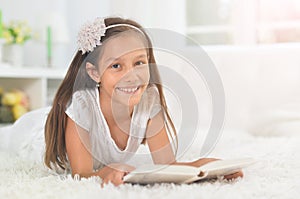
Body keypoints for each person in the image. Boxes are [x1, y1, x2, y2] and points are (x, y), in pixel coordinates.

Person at [0, 17, 242, 186]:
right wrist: (103, 173)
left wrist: (208, 168)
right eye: (117, 66)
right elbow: (81, 175)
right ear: (95, 73)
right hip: (31, 133)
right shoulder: (82, 106)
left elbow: (168, 166)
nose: (132, 75)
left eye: (139, 62)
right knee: (5, 135)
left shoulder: (149, 102)